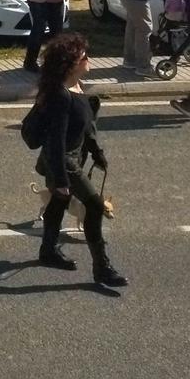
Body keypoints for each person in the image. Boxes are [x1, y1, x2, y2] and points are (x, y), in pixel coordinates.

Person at [29, 32, 127, 288]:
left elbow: (85, 127)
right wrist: (61, 178)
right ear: (72, 64)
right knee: (94, 207)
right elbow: (56, 140)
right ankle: (102, 268)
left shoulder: (77, 88)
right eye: (84, 56)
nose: (88, 59)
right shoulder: (61, 96)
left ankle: (48, 251)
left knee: (59, 202)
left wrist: (96, 152)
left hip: (71, 157)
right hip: (63, 160)